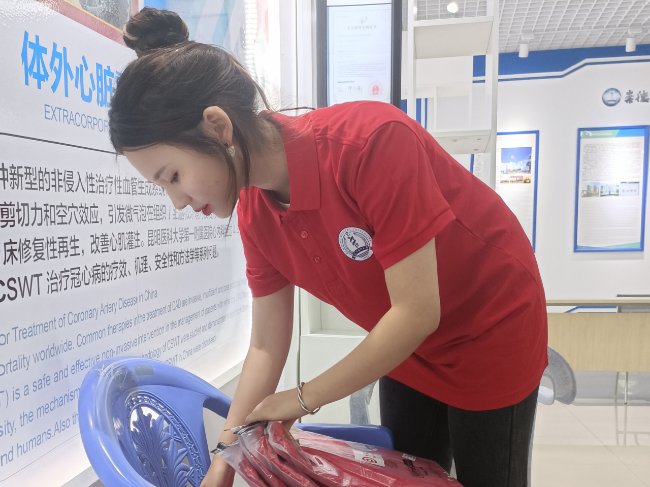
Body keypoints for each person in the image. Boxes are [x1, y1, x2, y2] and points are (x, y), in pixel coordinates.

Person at [110, 8, 548, 487]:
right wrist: (223, 462)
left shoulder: (370, 143)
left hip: (490, 327)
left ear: (217, 127)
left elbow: (417, 311)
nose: (176, 201)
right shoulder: (255, 213)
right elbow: (265, 344)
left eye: (173, 176)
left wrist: (300, 399)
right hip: (405, 347)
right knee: (410, 475)